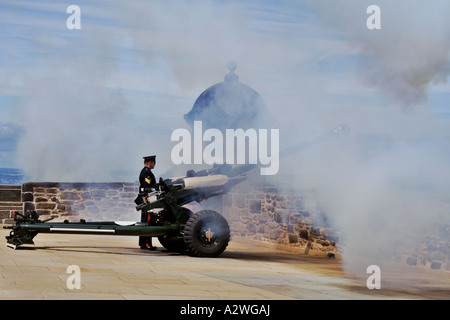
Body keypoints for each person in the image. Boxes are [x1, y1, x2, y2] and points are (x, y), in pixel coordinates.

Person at [137, 155, 157, 250]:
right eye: (153, 162)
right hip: (147, 199)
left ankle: (143, 243)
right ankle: (146, 244)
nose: (154, 164)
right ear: (149, 163)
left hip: (146, 198)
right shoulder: (146, 173)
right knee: (148, 221)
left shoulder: (147, 172)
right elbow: (147, 187)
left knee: (146, 220)